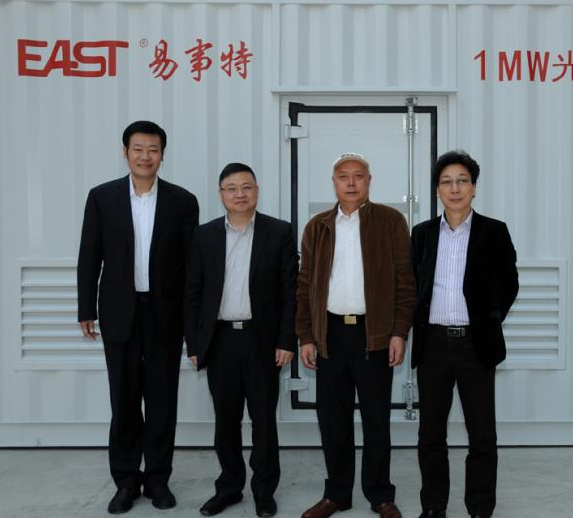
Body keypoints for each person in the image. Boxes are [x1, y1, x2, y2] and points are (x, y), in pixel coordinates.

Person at [77, 120, 199, 514]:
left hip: (165, 314)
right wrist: (85, 308)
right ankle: (126, 481)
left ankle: (158, 480)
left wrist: (191, 321)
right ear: (125, 152)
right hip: (119, 312)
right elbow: (89, 255)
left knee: (162, 402)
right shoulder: (102, 197)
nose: (146, 156)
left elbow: (192, 267)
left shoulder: (183, 201)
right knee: (124, 400)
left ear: (162, 154)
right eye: (138, 149)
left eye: (153, 150)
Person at [296, 152, 415, 518]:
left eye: (358, 176)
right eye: (343, 176)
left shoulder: (391, 222)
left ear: (369, 181)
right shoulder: (317, 227)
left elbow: (405, 282)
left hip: (373, 335)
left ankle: (380, 495)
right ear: (333, 182)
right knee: (333, 420)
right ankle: (337, 494)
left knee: (377, 419)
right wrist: (306, 336)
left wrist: (399, 331)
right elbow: (304, 286)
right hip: (330, 334)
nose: (351, 182)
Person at [184, 163, 298, 517]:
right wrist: (194, 345)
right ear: (221, 195)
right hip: (219, 341)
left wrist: (287, 340)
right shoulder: (204, 235)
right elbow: (192, 293)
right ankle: (229, 488)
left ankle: (264, 491)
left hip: (262, 340)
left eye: (246, 187)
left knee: (263, 420)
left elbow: (290, 292)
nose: (240, 194)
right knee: (226, 420)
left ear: (257, 191)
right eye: (231, 188)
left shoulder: (278, 232)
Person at [410, 150, 519, 518]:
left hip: (476, 346)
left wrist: (488, 321)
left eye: (462, 181)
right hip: (433, 346)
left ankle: (480, 509)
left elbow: (509, 284)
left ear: (473, 187)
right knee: (430, 436)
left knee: (482, 436)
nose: (454, 188)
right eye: (446, 182)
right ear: (437, 190)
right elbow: (414, 285)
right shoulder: (422, 234)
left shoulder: (494, 231)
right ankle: (433, 507)